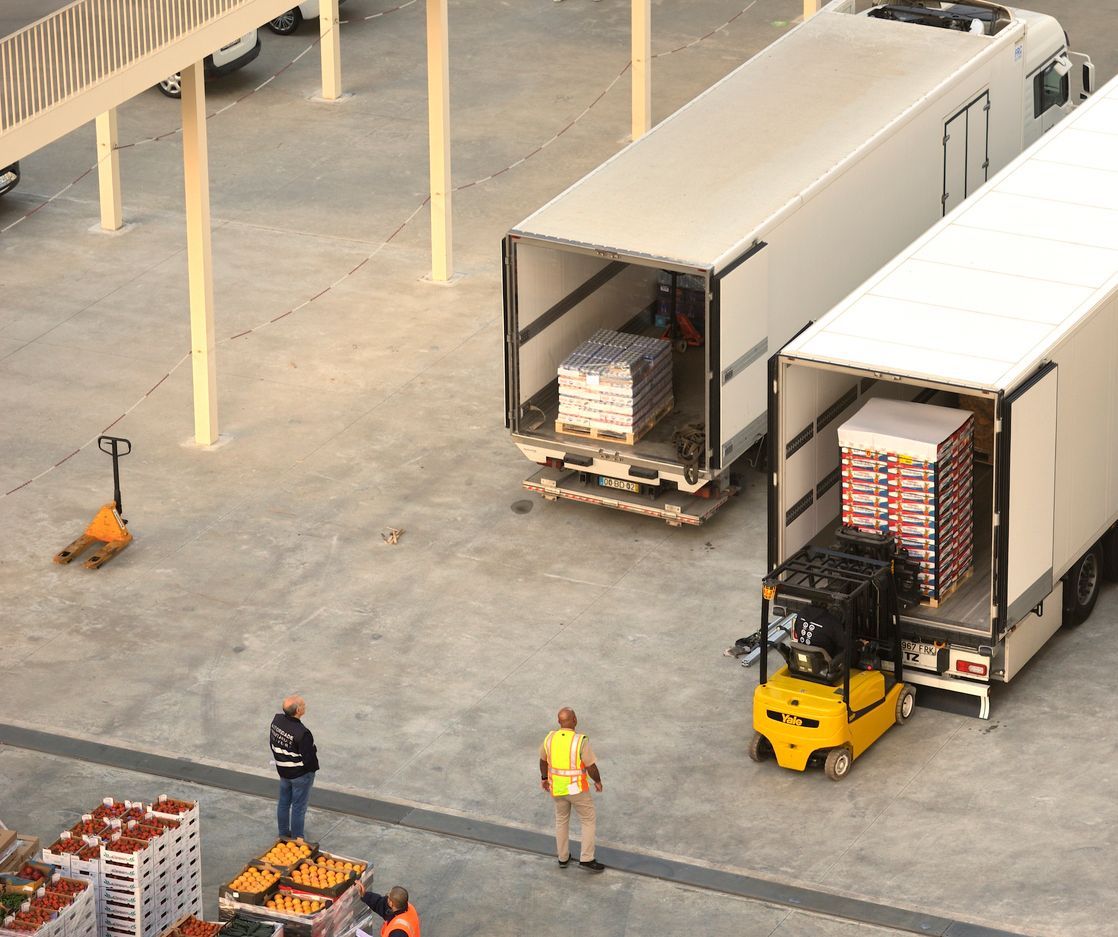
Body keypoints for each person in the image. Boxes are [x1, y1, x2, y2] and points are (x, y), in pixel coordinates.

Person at [539, 707, 605, 872]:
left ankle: (562, 857)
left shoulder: (550, 738)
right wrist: (597, 781)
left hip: (557, 789)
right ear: (575, 720)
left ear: (559, 722)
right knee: (588, 821)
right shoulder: (579, 741)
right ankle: (587, 859)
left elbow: (543, 760)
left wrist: (544, 779)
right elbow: (591, 766)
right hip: (577, 790)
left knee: (561, 821)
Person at [269, 695, 319, 839]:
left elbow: (272, 743)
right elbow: (309, 759)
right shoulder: (302, 733)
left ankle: (283, 833)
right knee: (298, 807)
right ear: (298, 710)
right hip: (300, 775)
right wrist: (312, 770)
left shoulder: (276, 721)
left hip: (283, 770)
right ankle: (298, 838)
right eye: (303, 705)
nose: (305, 706)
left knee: (284, 802)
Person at [355, 882, 420, 937]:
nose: (386, 897)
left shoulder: (398, 933)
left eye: (388, 897)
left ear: (391, 904)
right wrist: (364, 895)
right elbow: (379, 903)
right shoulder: (407, 907)